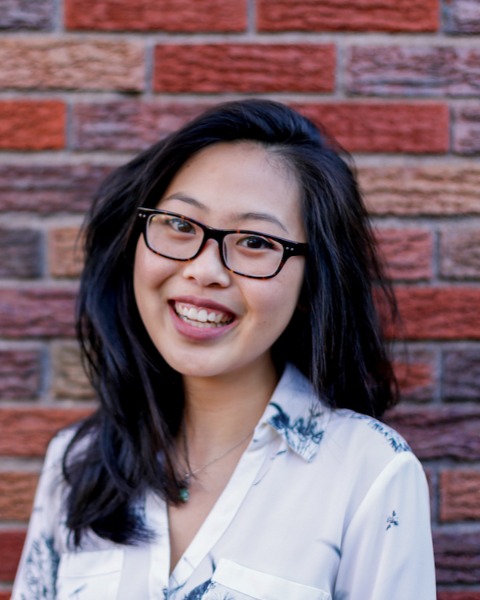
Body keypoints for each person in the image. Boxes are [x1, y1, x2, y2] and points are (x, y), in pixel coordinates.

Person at [12, 99, 436, 599]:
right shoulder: (77, 464)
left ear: (312, 282)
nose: (204, 270)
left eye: (255, 242)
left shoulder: (369, 473)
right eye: (180, 225)